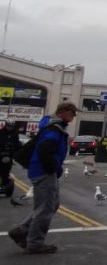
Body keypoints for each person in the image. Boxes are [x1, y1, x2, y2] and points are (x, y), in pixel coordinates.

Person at [8, 101, 76, 254]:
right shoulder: (54, 128)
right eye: (72, 113)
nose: (73, 117)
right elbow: (45, 150)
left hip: (42, 170)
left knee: (51, 205)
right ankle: (35, 242)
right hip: (43, 172)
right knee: (45, 208)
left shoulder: (52, 125)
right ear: (63, 112)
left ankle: (22, 231)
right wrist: (54, 168)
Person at [0, 122, 20, 199]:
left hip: (8, 155)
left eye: (11, 126)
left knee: (5, 169)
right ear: (6, 125)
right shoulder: (1, 132)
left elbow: (17, 144)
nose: (10, 127)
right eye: (8, 126)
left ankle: (4, 183)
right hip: (0, 152)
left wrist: (16, 148)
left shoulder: (15, 133)